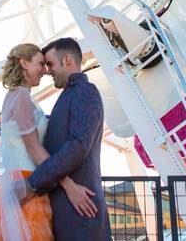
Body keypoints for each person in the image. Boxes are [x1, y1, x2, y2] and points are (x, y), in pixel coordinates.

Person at [0, 43, 96, 240]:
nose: (45, 70)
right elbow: (34, 148)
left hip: (17, 179)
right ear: (24, 63)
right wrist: (69, 186)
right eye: (40, 64)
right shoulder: (22, 96)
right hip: (25, 182)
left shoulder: (15, 95)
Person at [20, 38, 112, 240]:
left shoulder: (85, 92)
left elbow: (78, 145)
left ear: (67, 59)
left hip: (80, 213)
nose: (47, 70)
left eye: (50, 64)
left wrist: (33, 184)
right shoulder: (68, 95)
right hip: (68, 210)